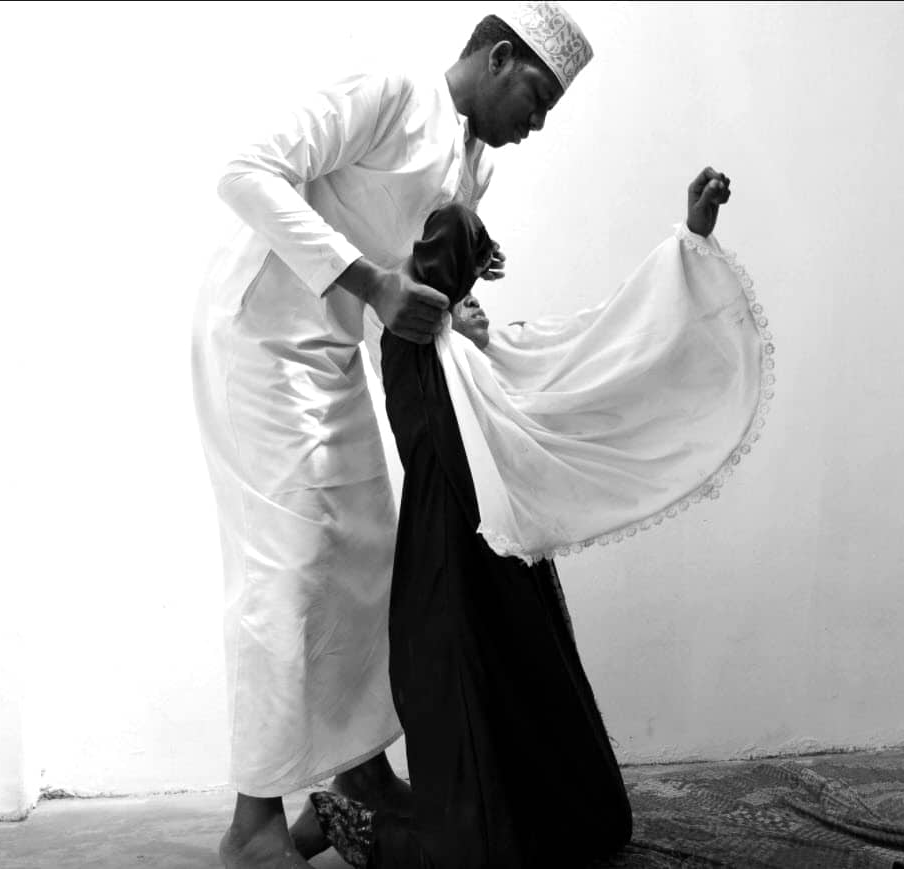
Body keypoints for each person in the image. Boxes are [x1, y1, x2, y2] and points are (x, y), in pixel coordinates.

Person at [190, 5, 595, 867]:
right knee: (290, 568)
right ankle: (252, 827)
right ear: (496, 57)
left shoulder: (469, 166)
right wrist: (376, 283)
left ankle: (359, 781)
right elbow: (244, 172)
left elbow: (409, 288)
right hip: (258, 341)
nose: (538, 123)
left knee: (371, 559)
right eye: (537, 96)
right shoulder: (388, 90)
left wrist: (449, 299)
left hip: (332, 353)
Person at [303, 168, 748, 868]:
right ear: (434, 289)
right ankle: (344, 824)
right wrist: (465, 257)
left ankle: (461, 817)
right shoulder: (414, 348)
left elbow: (606, 345)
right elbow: (450, 241)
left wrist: (691, 237)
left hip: (504, 572)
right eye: (463, 289)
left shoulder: (475, 360)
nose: (477, 307)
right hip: (448, 578)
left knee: (579, 803)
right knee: (475, 815)